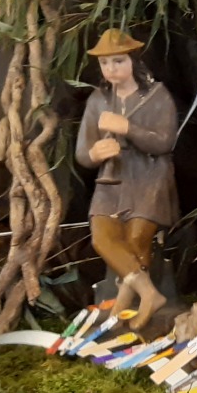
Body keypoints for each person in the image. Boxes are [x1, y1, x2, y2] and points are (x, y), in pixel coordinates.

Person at [75, 29, 178, 328]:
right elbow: (82, 152)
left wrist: (128, 128)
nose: (111, 69)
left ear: (134, 60)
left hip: (149, 178)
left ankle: (125, 301)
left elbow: (165, 142)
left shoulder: (157, 96)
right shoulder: (97, 100)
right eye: (105, 63)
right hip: (112, 179)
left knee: (136, 239)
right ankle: (148, 294)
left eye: (118, 61)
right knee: (102, 237)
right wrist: (95, 153)